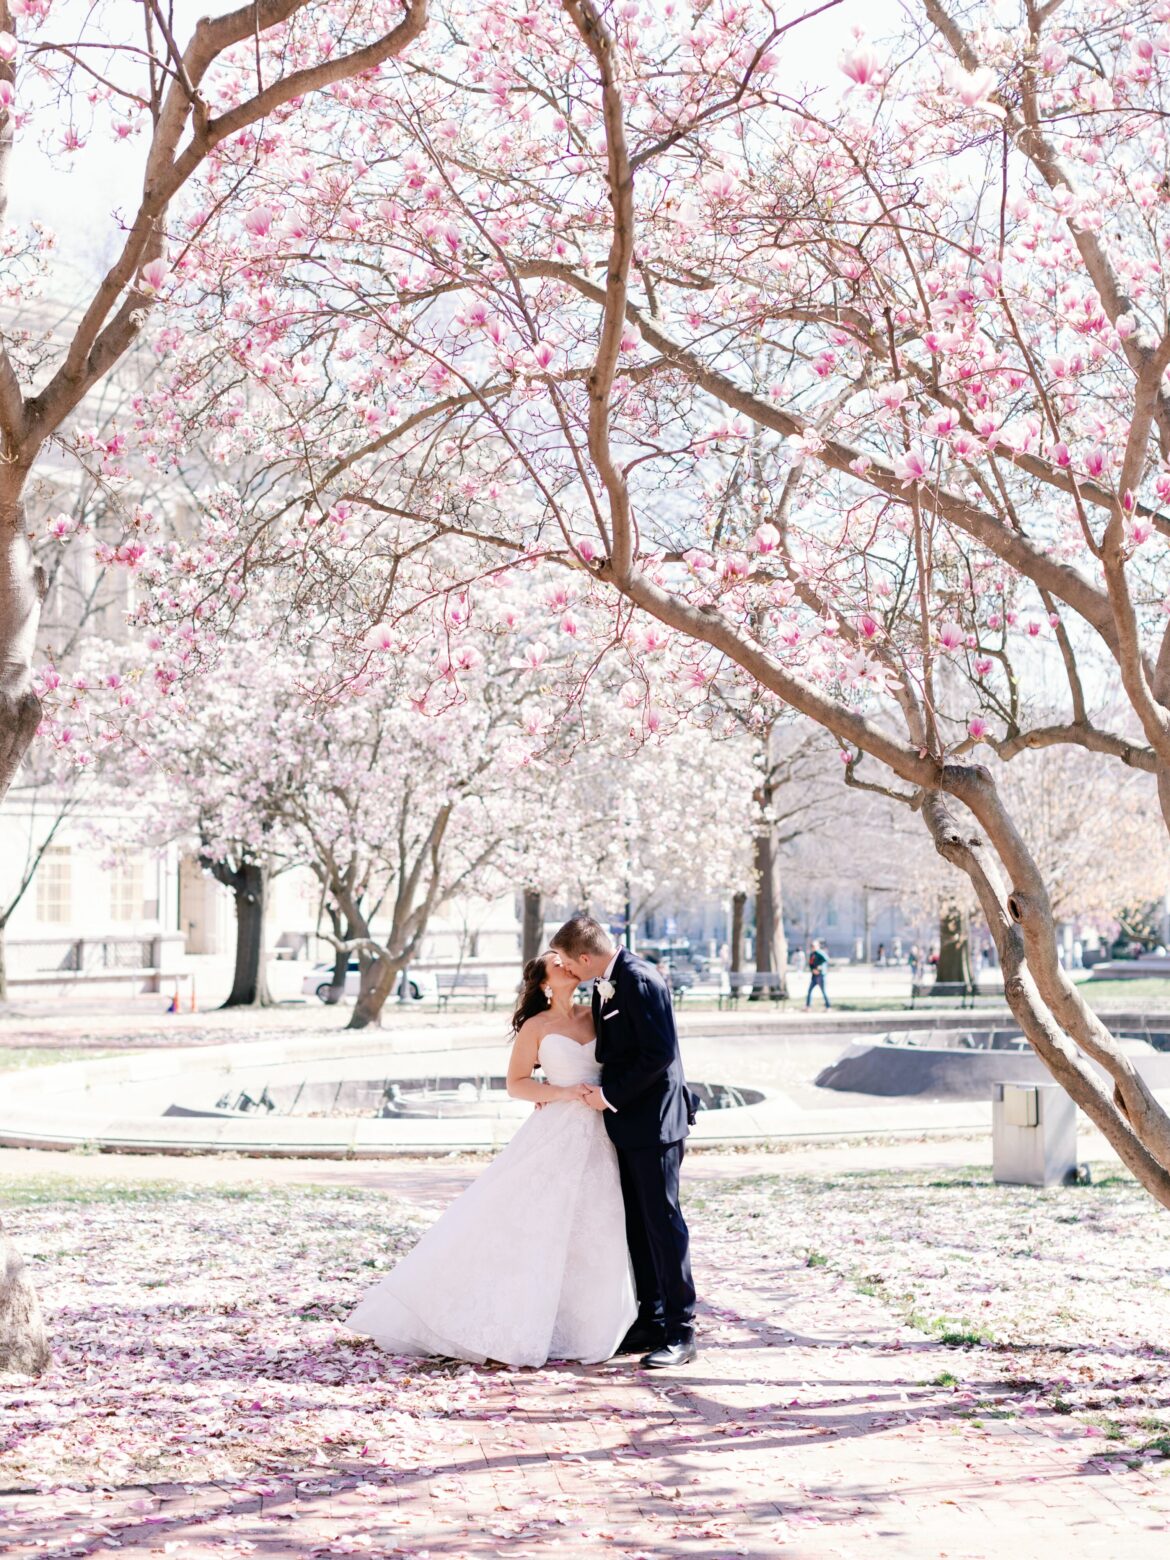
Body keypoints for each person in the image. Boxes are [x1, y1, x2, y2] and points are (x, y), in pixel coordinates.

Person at [346, 952, 636, 1367]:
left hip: (603, 1130)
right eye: (558, 964)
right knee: (538, 1225)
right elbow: (517, 1084)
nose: (568, 966)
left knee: (595, 1226)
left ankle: (591, 1321)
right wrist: (562, 1093)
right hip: (559, 1130)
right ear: (543, 984)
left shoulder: (596, 1014)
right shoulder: (535, 1027)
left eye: (570, 961)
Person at [550, 913, 698, 1370]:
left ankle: (682, 1329)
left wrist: (609, 1095)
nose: (567, 971)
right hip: (626, 1123)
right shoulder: (605, 982)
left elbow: (659, 1054)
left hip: (654, 1123)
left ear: (585, 957)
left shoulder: (638, 979)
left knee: (663, 1222)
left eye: (568, 963)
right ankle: (651, 1319)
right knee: (638, 1224)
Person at [806, 940, 830, 1008]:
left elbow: (826, 959)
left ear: (818, 946)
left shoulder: (820, 953)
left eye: (814, 946)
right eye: (812, 946)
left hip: (820, 975)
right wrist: (812, 970)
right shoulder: (812, 954)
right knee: (809, 991)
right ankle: (808, 1006)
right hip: (814, 976)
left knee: (823, 991)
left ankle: (828, 1006)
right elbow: (810, 964)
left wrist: (819, 968)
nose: (813, 947)